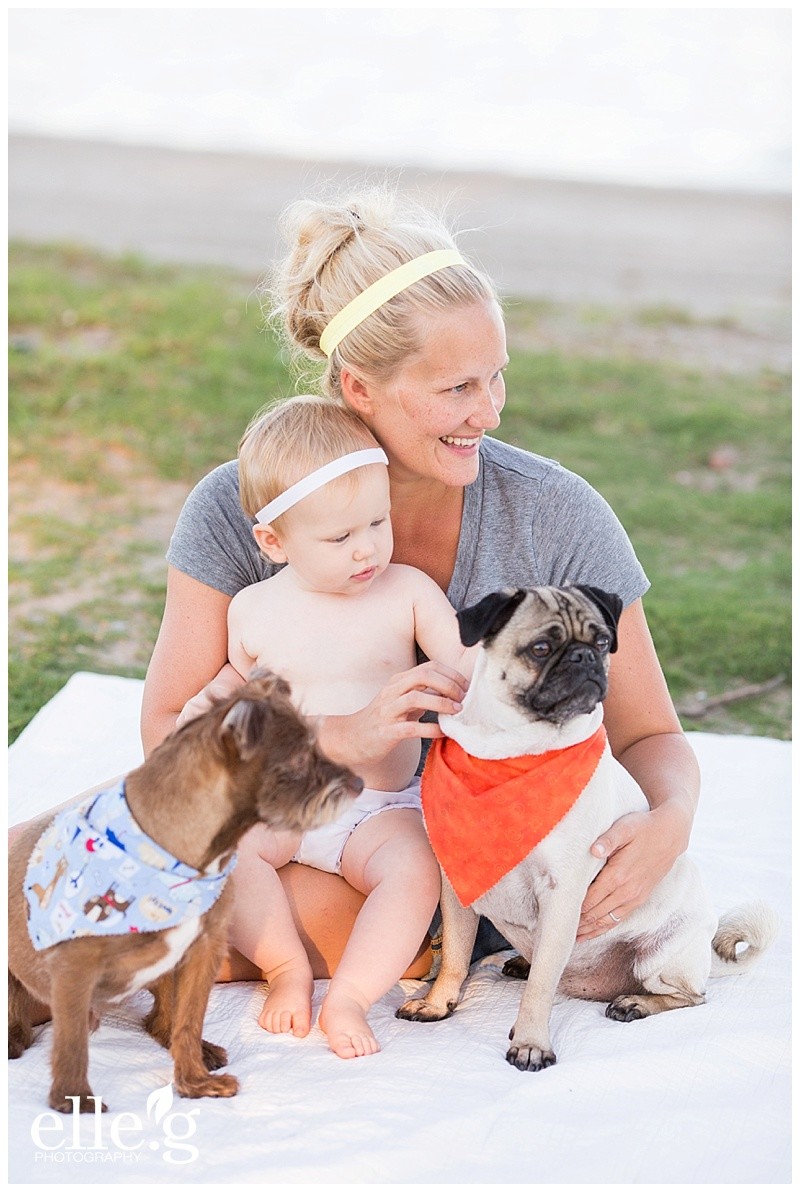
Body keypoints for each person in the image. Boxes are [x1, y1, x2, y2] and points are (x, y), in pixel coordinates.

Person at [142, 185, 699, 993]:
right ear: (358, 387)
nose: (493, 413)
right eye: (458, 389)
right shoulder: (246, 509)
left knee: (180, 915)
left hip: (462, 874)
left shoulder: (556, 515)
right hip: (277, 823)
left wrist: (669, 825)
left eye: (496, 378)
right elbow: (168, 735)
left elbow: (649, 736)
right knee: (100, 866)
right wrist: (338, 738)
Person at [226, 395, 474, 1057]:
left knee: (418, 868)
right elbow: (240, 697)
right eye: (339, 538)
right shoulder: (253, 610)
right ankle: (285, 968)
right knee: (228, 849)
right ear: (273, 542)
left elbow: (462, 661)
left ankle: (352, 996)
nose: (366, 549)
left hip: (377, 805)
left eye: (376, 522)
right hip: (286, 797)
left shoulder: (408, 591)